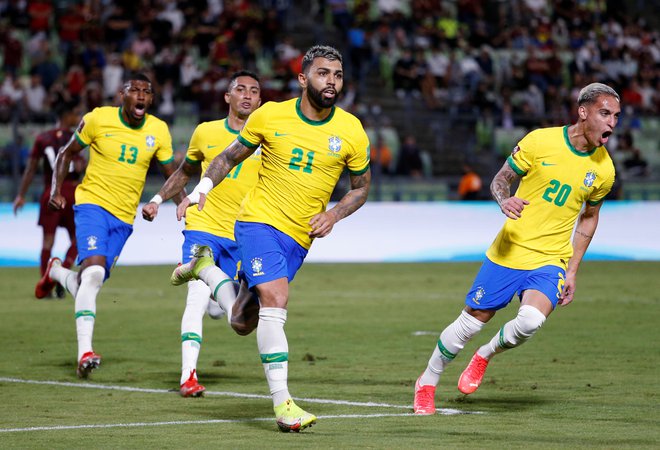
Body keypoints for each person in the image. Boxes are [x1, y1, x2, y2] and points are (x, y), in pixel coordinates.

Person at [172, 45, 371, 432]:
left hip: (299, 238)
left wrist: (334, 213)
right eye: (322, 73)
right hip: (258, 222)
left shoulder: (351, 130)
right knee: (276, 299)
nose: (331, 81)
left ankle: (208, 272)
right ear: (303, 79)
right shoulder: (270, 115)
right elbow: (228, 157)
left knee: (243, 321)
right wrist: (203, 187)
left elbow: (361, 188)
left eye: (338, 75)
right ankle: (283, 406)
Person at [413, 82, 620, 415]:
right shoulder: (540, 141)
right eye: (605, 113)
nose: (612, 123)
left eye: (616, 116)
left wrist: (573, 269)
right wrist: (503, 200)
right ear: (583, 112)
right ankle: (427, 381)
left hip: (551, 258)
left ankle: (484, 355)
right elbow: (500, 180)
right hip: (510, 250)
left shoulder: (604, 170)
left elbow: (589, 219)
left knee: (530, 321)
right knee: (471, 322)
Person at [36, 72, 183, 378]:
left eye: (147, 92)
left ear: (151, 100)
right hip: (91, 204)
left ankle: (56, 271)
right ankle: (85, 352)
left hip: (124, 218)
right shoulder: (98, 119)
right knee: (92, 275)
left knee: (89, 281)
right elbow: (67, 153)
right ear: (122, 94)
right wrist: (54, 190)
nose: (141, 95)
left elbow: (172, 171)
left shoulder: (158, 130)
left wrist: (184, 202)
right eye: (135, 90)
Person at [141, 70, 262, 398]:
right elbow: (184, 173)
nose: (247, 95)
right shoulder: (206, 132)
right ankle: (188, 376)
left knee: (239, 310)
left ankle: (216, 299)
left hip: (243, 234)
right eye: (240, 89)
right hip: (203, 226)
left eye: (254, 91)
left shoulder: (268, 139)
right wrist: (156, 200)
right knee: (195, 294)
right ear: (228, 97)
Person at [13, 100, 84, 299]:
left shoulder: (43, 138)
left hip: (51, 192)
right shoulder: (77, 137)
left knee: (47, 242)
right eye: (74, 114)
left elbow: (30, 168)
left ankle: (46, 286)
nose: (77, 118)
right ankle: (64, 271)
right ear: (67, 116)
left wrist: (21, 195)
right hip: (73, 191)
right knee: (77, 239)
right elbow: (80, 166)